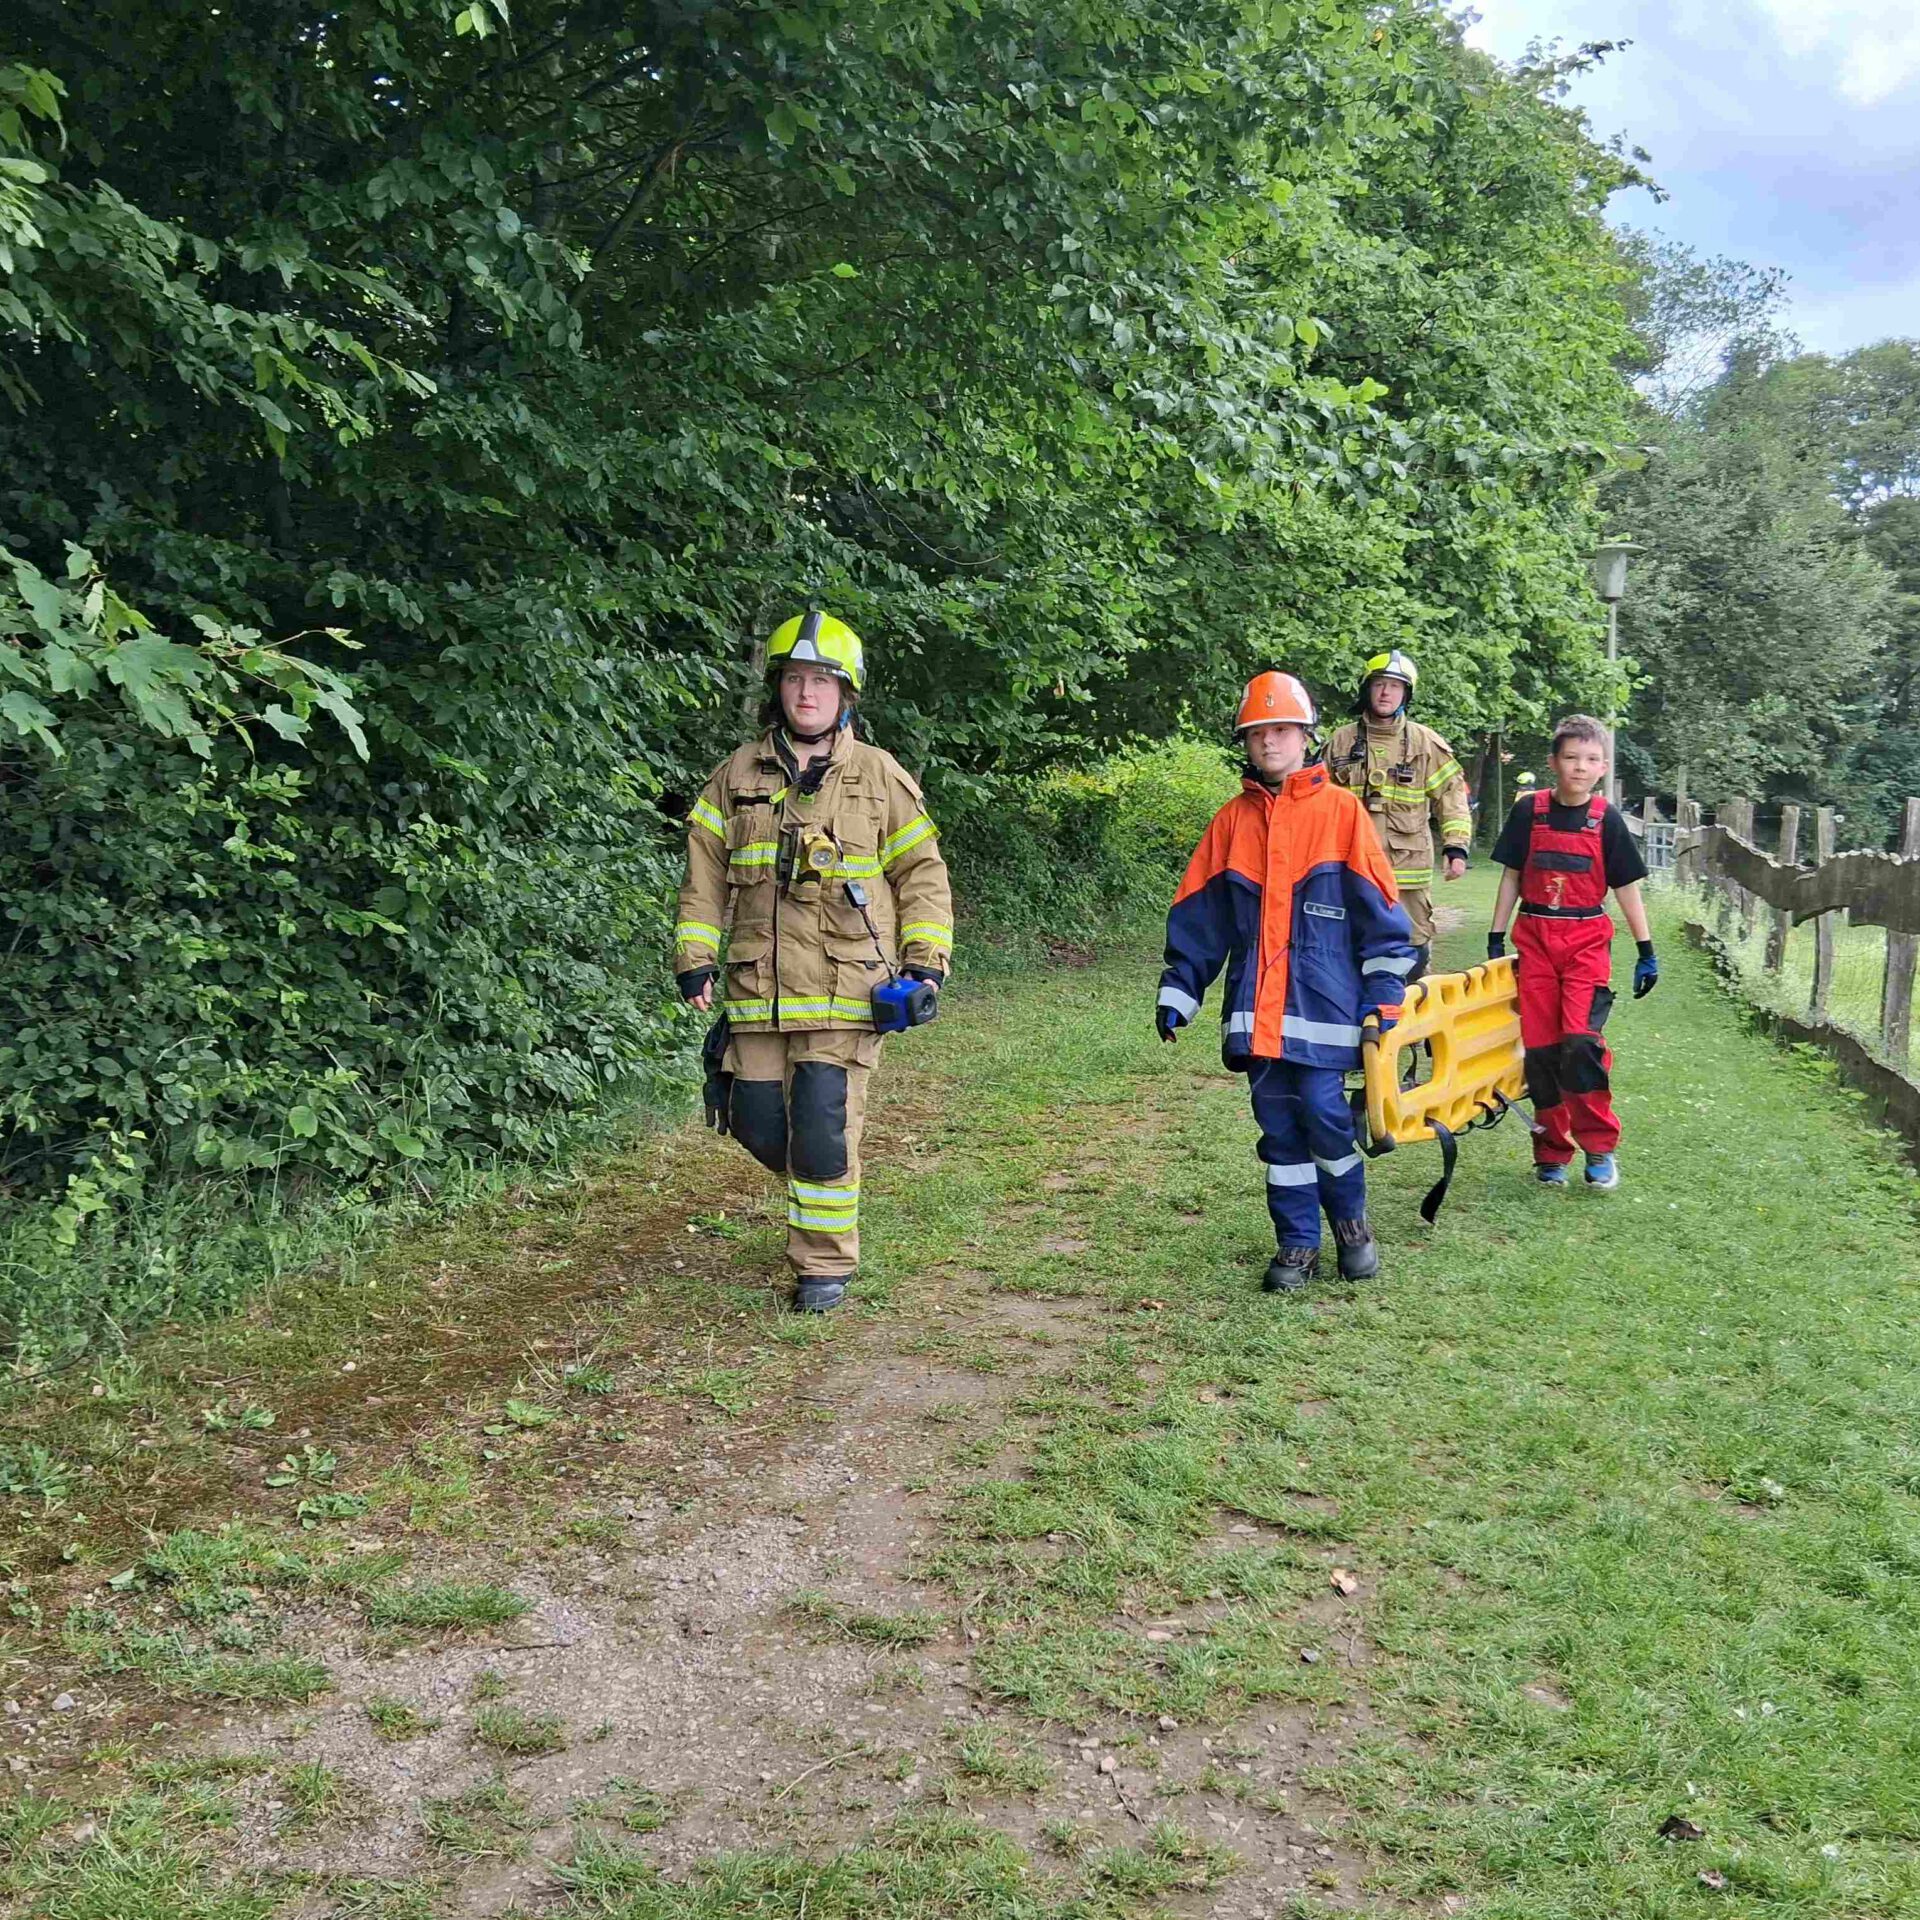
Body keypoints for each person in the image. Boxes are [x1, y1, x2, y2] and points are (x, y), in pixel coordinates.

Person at [673, 611, 953, 1311]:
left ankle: (823, 1267)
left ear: (845, 694)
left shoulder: (878, 777)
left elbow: (922, 874)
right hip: (758, 989)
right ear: (779, 689)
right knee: (760, 1123)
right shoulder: (734, 776)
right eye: (796, 679)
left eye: (821, 681)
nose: (807, 694)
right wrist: (695, 956)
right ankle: (815, 1189)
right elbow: (703, 879)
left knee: (824, 1128)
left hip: (848, 989)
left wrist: (926, 961)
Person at [1156, 671, 1419, 1291]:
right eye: (1257, 733)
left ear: (1305, 736)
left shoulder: (1342, 814)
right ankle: (1297, 1244)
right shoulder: (1229, 823)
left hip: (1326, 1008)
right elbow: (1201, 917)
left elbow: (1383, 920)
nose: (1269, 742)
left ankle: (1351, 1225)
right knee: (1278, 1132)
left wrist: (1383, 996)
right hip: (1256, 1014)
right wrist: (1179, 991)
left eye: (1280, 730)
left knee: (1327, 1118)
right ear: (1245, 744)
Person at [1485, 714, 1658, 1191]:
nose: (1580, 767)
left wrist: (1646, 949)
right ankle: (1551, 1152)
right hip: (1536, 940)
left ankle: (1600, 1148)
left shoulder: (1608, 821)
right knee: (1540, 1052)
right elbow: (1512, 878)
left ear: (1602, 767)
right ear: (1553, 762)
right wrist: (1497, 936)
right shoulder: (1529, 812)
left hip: (1585, 943)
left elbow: (1626, 888)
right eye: (1571, 757)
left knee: (1579, 1044)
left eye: (1591, 759)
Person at [1323, 650, 1473, 981]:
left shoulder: (1425, 743)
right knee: (1347, 945)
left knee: (1413, 947)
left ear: (1406, 694)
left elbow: (1452, 797)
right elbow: (1315, 801)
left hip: (1408, 868)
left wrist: (1456, 848)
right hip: (1350, 867)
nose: (1386, 693)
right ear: (1367, 688)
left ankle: (1413, 1027)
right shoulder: (1341, 741)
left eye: (1395, 686)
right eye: (1380, 684)